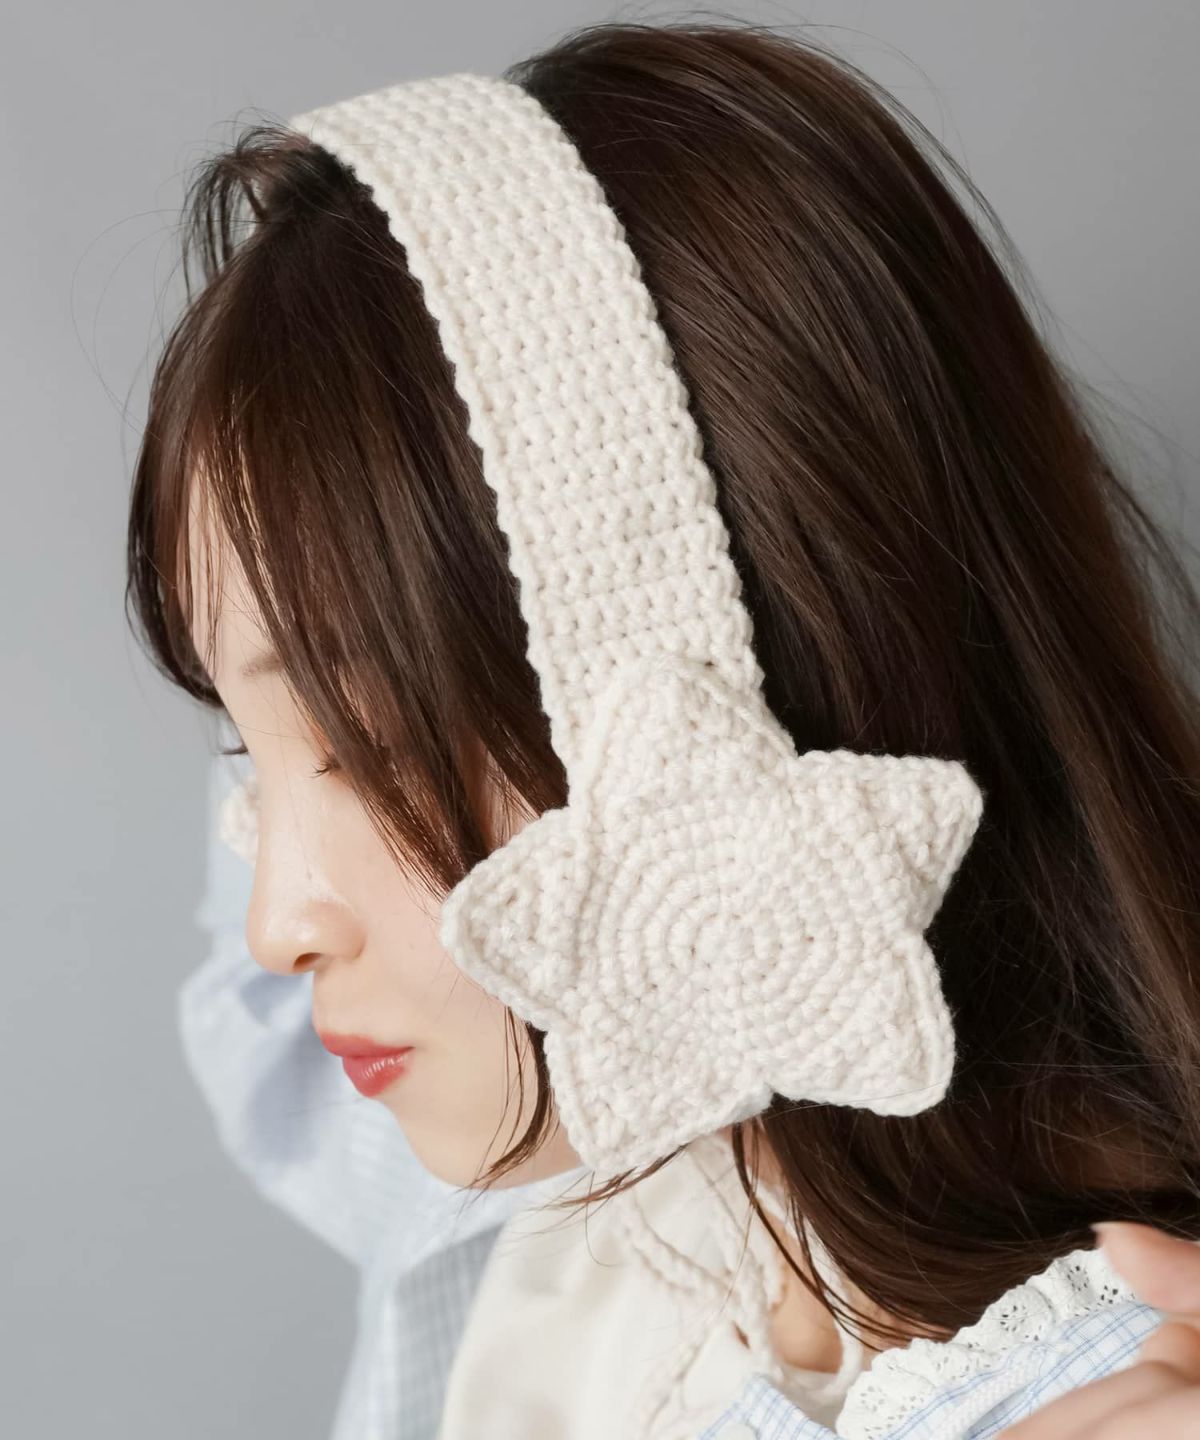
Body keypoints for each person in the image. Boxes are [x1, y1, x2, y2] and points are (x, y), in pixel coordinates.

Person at [125, 19, 1200, 1440]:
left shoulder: (1097, 1389)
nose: (281, 925)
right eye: (248, 761)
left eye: (375, 748)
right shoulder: (550, 1151)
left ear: (746, 696)